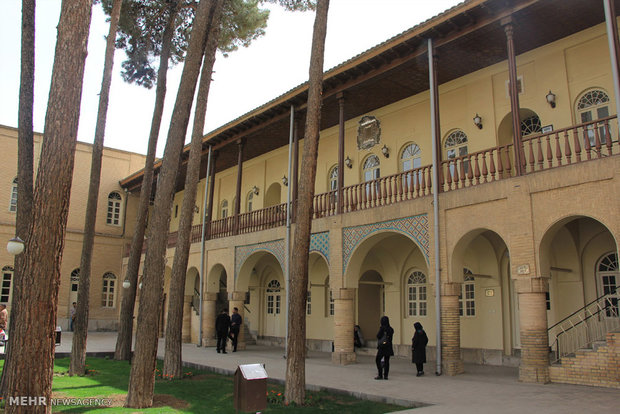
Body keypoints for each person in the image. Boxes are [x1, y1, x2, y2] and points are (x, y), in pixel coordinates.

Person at [375, 316, 394, 380]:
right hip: (388, 346)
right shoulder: (391, 329)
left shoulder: (382, 328)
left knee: (378, 360)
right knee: (387, 361)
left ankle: (380, 374)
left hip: (382, 347)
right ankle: (386, 375)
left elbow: (378, 336)